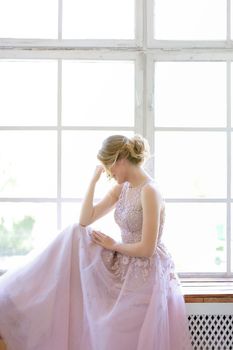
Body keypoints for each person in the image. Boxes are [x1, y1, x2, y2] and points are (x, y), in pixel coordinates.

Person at [0, 134, 192, 350]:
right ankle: (16, 295)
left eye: (109, 167)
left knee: (107, 324)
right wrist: (92, 182)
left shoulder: (150, 192)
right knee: (74, 233)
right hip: (124, 261)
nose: (109, 174)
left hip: (146, 271)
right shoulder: (123, 188)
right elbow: (84, 220)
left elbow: (147, 249)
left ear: (120, 159)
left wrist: (114, 246)